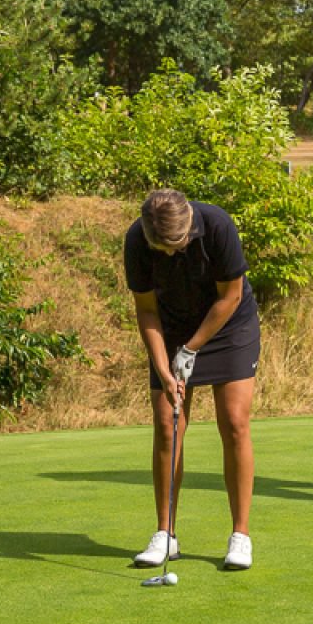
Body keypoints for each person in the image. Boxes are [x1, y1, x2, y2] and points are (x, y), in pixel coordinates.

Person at [123, 188, 261, 571]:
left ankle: (240, 535)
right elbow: (146, 309)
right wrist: (165, 368)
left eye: (176, 246)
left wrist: (191, 349)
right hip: (169, 327)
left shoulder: (217, 225)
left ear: (189, 228)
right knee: (168, 427)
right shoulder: (137, 239)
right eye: (161, 248)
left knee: (233, 421)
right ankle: (165, 534)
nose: (169, 254)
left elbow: (230, 297)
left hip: (229, 325)